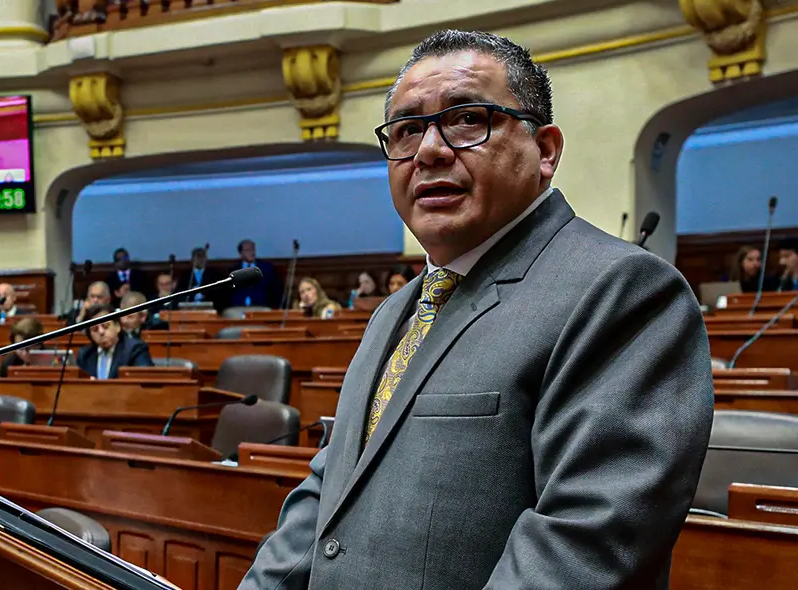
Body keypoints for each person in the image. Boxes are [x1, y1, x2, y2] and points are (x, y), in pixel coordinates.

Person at [242, 30, 713, 590]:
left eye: (466, 118)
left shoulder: (622, 290)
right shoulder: (393, 312)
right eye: (408, 129)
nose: (429, 150)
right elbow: (328, 494)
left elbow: (584, 547)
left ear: (545, 150)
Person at [76, 304, 154, 379]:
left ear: (117, 326)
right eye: (95, 329)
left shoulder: (135, 349)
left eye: (105, 326)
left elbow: (145, 382)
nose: (101, 332)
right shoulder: (84, 355)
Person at [228, 239, 281, 308]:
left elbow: (276, 290)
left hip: (262, 307)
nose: (252, 252)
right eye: (247, 250)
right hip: (238, 308)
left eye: (253, 249)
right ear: (240, 253)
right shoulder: (233, 270)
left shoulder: (266, 268)